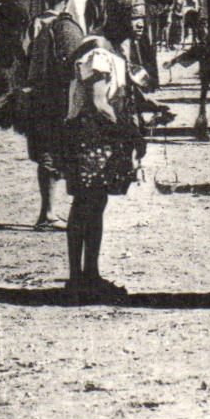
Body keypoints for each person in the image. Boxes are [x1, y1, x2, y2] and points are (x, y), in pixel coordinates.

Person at [59, 35, 148, 302]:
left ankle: (90, 274)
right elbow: (98, 103)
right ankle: (78, 278)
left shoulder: (111, 53)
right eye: (133, 17)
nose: (139, 25)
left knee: (95, 205)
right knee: (86, 205)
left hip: (98, 138)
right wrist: (129, 132)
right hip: (89, 139)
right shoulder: (97, 54)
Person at [19, 0, 84, 230]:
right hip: (58, 96)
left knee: (46, 153)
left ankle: (48, 211)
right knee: (58, 153)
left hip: (37, 94)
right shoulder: (68, 27)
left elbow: (24, 55)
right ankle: (49, 215)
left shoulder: (35, 23)